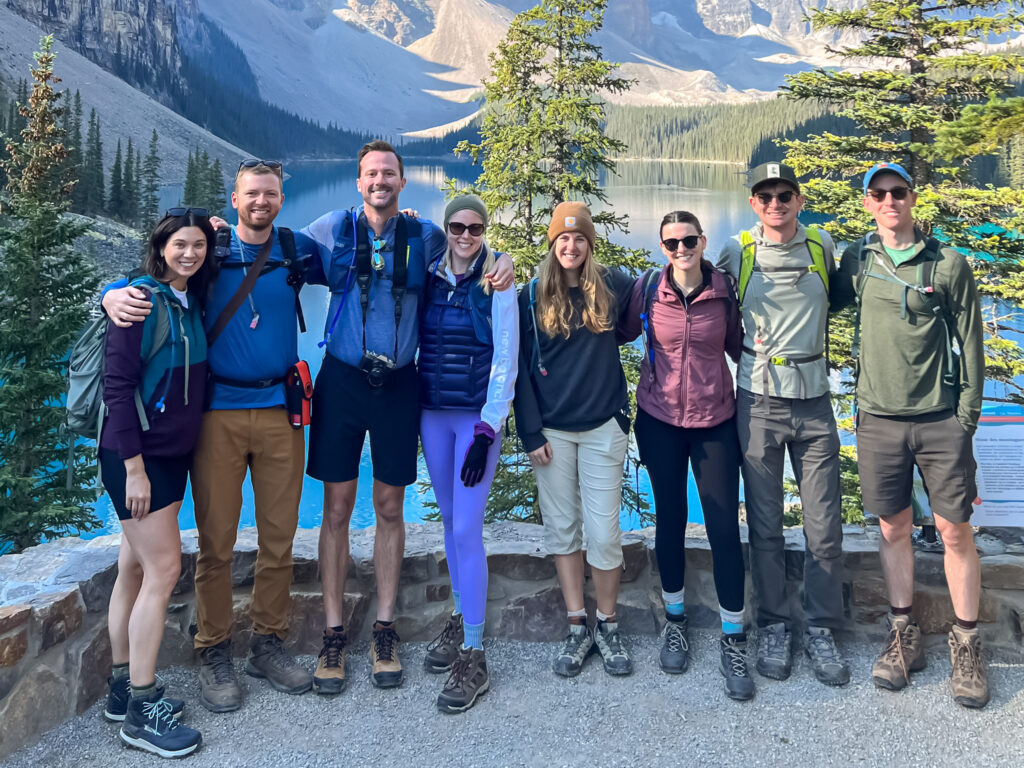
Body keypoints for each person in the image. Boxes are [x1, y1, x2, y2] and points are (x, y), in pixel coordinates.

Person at [300, 141, 513, 692]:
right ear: (358, 181)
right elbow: (276, 257)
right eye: (371, 173)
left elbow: (474, 256)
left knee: (391, 505)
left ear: (401, 182)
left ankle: (386, 629)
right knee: (337, 507)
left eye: (389, 173)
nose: (380, 181)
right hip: (342, 381)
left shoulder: (427, 237)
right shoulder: (330, 229)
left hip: (399, 385)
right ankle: (332, 634)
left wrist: (506, 260)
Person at [102, 161, 314, 712]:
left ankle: (268, 644)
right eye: (252, 193)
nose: (261, 201)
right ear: (235, 197)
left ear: (282, 199)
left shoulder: (297, 251)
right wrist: (110, 292)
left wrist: (413, 221)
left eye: (270, 193)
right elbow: (154, 277)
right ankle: (213, 648)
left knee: (279, 538)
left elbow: (372, 254)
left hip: (280, 413)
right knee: (216, 543)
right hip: (215, 415)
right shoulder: (209, 255)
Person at [831, 162, 987, 707]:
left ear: (912, 198)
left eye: (898, 192)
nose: (890, 200)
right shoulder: (857, 260)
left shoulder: (948, 264)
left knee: (954, 530)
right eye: (879, 193)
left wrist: (965, 421)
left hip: (940, 420)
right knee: (893, 527)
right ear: (868, 202)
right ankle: (903, 638)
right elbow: (812, 300)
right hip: (877, 419)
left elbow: (971, 345)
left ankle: (967, 644)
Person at [715, 162, 850, 686]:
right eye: (765, 196)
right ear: (753, 203)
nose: (775, 204)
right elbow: (698, 290)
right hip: (758, 402)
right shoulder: (737, 251)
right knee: (767, 526)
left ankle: (820, 626)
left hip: (815, 401)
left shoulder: (821, 245)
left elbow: (839, 299)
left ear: (799, 199)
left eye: (784, 194)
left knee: (824, 524)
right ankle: (772, 623)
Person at [620, 211, 752, 700]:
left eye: (689, 239)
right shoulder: (648, 288)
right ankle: (675, 620)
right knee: (670, 519)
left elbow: (742, 346)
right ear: (661, 245)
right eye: (672, 242)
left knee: (721, 527)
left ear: (702, 240)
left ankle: (733, 634)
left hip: (715, 421)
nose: (681, 248)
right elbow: (615, 331)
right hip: (659, 421)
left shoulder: (723, 290)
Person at [101, 209, 211, 757]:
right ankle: (142, 712)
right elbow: (117, 389)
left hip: (166, 454)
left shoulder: (189, 299)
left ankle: (122, 687)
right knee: (164, 568)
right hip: (139, 460)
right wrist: (135, 470)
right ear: (160, 247)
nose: (189, 253)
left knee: (132, 566)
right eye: (179, 245)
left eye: (198, 245)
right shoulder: (138, 302)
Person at [513, 201, 635, 678]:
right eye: (563, 238)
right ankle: (576, 624)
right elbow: (521, 369)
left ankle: (608, 623)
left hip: (604, 427)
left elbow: (657, 294)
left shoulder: (613, 287)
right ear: (552, 243)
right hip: (552, 433)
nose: (571, 245)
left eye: (579, 238)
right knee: (563, 530)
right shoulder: (531, 296)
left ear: (590, 244)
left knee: (604, 534)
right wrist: (528, 431)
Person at [417, 194, 518, 713]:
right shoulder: (428, 271)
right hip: (432, 415)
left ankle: (475, 654)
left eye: (475, 228)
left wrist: (488, 428)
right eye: (457, 226)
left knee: (465, 529)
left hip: (475, 421)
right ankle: (460, 620)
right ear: (446, 227)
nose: (465, 236)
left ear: (484, 231)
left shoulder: (498, 281)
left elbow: (506, 356)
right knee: (450, 519)